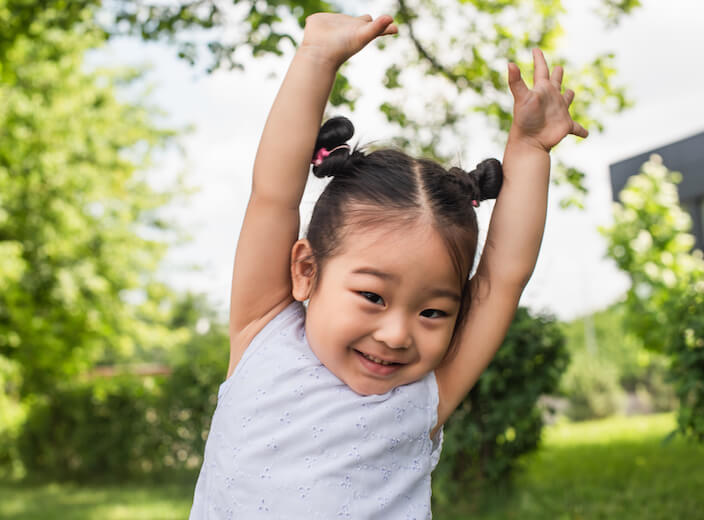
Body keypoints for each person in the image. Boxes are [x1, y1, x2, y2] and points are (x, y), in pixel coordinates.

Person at [189, 12, 587, 519]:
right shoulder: (261, 332)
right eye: (373, 297)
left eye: (433, 312)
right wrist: (316, 58)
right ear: (307, 270)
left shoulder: (424, 396)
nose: (398, 334)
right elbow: (273, 196)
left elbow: (503, 276)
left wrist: (530, 149)